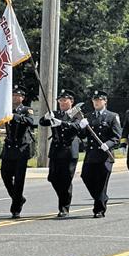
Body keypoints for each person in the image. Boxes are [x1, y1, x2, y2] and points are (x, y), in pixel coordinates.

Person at [39, 89, 83, 217]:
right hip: (56, 150)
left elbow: (77, 126)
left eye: (65, 100)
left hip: (69, 150)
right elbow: (42, 122)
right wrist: (46, 117)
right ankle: (62, 198)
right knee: (53, 178)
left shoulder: (76, 113)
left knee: (66, 180)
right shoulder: (55, 113)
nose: (62, 103)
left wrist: (62, 123)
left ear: (71, 101)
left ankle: (64, 207)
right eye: (60, 100)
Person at [79, 89, 121, 217]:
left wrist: (107, 144)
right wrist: (81, 127)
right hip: (91, 155)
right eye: (94, 100)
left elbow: (116, 137)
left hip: (105, 156)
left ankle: (99, 210)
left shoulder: (112, 116)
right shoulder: (88, 116)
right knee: (85, 176)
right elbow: (82, 135)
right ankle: (101, 197)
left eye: (99, 100)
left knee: (101, 183)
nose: (96, 102)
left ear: (105, 101)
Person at [0, 86, 36, 218]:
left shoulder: (27, 110)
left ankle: (16, 208)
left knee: (19, 179)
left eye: (17, 95)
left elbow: (30, 121)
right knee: (5, 175)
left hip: (21, 148)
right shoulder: (7, 109)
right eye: (13, 95)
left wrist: (15, 116)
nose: (15, 97)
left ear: (22, 98)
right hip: (9, 147)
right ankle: (19, 198)